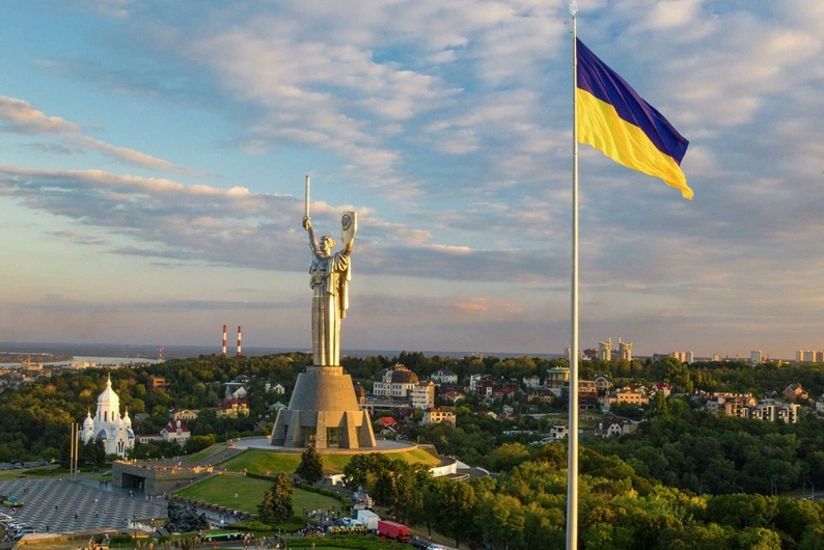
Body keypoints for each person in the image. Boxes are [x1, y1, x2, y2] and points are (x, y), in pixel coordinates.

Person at [303, 215, 354, 367]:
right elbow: (313, 244)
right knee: (317, 327)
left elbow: (347, 251)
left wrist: (349, 235)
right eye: (321, 242)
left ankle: (330, 363)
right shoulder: (317, 259)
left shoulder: (335, 260)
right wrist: (309, 228)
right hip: (317, 294)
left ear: (331, 244)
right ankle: (318, 362)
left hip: (330, 295)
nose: (322, 244)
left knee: (330, 326)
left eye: (325, 242)